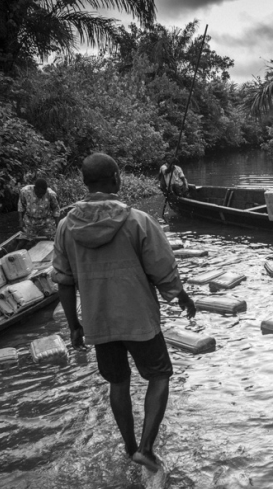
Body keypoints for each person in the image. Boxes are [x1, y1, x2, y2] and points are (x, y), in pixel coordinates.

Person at [52, 152, 196, 471]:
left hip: (98, 322)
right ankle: (145, 448)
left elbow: (63, 281)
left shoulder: (65, 227)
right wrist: (181, 296)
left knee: (118, 384)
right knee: (159, 375)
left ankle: (129, 449)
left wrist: (75, 326)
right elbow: (163, 269)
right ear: (116, 179)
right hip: (139, 319)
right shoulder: (137, 220)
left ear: (85, 183)